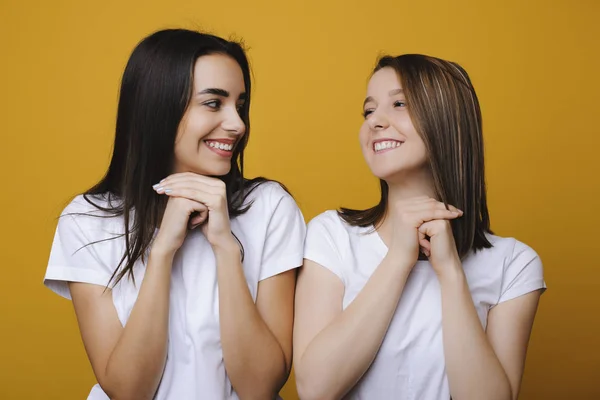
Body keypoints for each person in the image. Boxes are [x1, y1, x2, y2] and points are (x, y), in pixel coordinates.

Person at [44, 29, 305, 400]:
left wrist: (225, 247)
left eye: (240, 105)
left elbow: (259, 387)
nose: (238, 124)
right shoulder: (86, 220)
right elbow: (127, 390)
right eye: (214, 103)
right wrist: (163, 251)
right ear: (159, 108)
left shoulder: (268, 207)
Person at [293, 54, 545, 400]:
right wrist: (398, 258)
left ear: (447, 119)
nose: (375, 122)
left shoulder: (514, 264)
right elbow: (315, 390)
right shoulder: (331, 236)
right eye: (369, 110)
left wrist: (451, 273)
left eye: (399, 104)